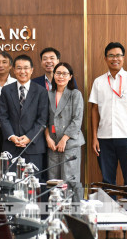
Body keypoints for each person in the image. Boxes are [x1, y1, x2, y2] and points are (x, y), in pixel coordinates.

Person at [89, 42, 127, 188]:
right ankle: (110, 210)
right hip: (104, 138)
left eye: (118, 55)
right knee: (107, 181)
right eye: (111, 56)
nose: (115, 59)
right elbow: (94, 110)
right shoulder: (99, 82)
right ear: (106, 58)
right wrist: (95, 137)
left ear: (123, 58)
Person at [0, 54, 48, 172]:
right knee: (9, 183)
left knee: (32, 183)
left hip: (33, 147)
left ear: (32, 70)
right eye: (19, 68)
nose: (23, 71)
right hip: (11, 146)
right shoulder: (6, 90)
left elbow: (42, 119)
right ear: (14, 70)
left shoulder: (41, 91)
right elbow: (3, 116)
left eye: (26, 68)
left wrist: (29, 137)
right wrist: (12, 136)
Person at [45, 62, 84, 201]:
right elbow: (44, 119)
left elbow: (77, 120)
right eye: (58, 73)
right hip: (52, 144)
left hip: (70, 143)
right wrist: (48, 138)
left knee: (70, 181)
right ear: (53, 75)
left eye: (64, 73)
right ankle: (54, 214)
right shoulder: (48, 94)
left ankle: (73, 214)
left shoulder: (75, 94)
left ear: (70, 77)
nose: (61, 76)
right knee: (53, 180)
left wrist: (64, 139)